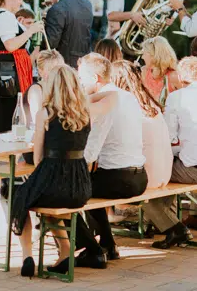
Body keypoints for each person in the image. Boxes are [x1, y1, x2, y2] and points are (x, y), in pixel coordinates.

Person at [8, 65, 93, 277]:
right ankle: (65, 251)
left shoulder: (45, 113)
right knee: (45, 198)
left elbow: (37, 159)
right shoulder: (84, 113)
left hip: (55, 183)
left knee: (20, 195)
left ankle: (27, 255)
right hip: (80, 186)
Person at [75, 53, 147, 268]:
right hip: (140, 176)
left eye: (81, 78)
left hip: (119, 178)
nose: (79, 83)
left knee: (71, 191)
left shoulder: (106, 101)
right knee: (89, 185)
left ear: (96, 78)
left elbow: (90, 152)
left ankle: (92, 249)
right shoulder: (127, 96)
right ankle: (107, 244)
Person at [143, 57, 197, 248]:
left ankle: (173, 228)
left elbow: (168, 136)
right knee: (168, 169)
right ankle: (169, 225)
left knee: (146, 182)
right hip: (189, 164)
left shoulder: (177, 97)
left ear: (182, 77)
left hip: (192, 169)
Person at [0, 0, 44, 133]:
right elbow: (10, 45)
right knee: (7, 110)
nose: (20, 3)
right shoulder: (5, 16)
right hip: (7, 70)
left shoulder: (6, 16)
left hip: (7, 68)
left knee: (6, 109)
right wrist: (31, 31)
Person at [110, 60, 172, 189]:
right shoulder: (150, 104)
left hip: (145, 178)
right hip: (164, 174)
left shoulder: (127, 106)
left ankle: (115, 210)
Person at [44, 0, 94, 68]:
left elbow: (51, 42)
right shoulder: (87, 3)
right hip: (85, 59)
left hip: (65, 62)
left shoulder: (57, 8)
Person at [25, 50, 65, 127]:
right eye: (51, 70)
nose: (56, 73)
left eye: (60, 69)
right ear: (40, 72)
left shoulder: (62, 88)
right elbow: (37, 122)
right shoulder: (36, 90)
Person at [141, 36, 184, 106]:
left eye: (144, 53)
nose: (142, 57)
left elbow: (187, 100)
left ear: (153, 55)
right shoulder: (144, 72)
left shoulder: (174, 76)